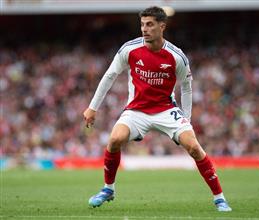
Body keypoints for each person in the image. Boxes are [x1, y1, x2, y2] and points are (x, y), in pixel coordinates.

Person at [83, 6, 232, 212]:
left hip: (165, 110)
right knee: (115, 139)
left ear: (162, 26)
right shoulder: (129, 49)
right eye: (142, 24)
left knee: (194, 147)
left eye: (150, 24)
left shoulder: (176, 56)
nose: (145, 29)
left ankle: (219, 198)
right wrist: (92, 108)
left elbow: (187, 87)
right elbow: (109, 76)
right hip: (136, 110)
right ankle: (108, 189)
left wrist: (186, 120)